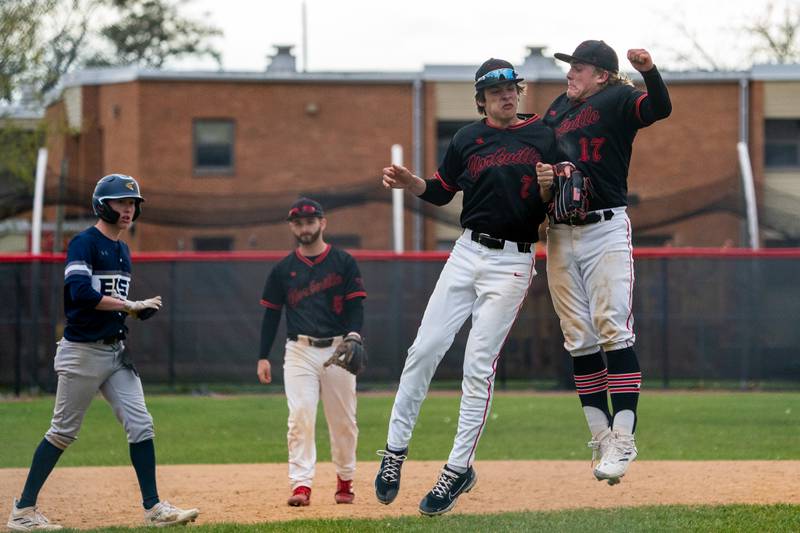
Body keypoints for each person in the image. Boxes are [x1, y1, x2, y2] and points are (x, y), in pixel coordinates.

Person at [375, 58, 557, 516]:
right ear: (481, 100)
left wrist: (551, 188)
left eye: (511, 87)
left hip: (514, 260)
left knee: (478, 364)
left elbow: (562, 198)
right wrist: (411, 183)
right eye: (496, 91)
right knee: (424, 350)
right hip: (467, 252)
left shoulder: (544, 135)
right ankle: (395, 452)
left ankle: (458, 468)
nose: (506, 95)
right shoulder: (467, 139)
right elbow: (440, 189)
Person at [7, 174, 199, 531]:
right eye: (121, 202)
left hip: (116, 354)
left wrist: (132, 311)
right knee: (62, 431)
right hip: (81, 352)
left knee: (141, 424)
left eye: (132, 203)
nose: (128, 209)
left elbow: (114, 303)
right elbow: (79, 291)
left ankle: (153, 508)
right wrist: (129, 305)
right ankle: (22, 510)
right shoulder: (85, 243)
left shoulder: (123, 249)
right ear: (101, 205)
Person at [536, 40, 672, 485]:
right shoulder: (556, 109)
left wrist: (649, 71)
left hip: (605, 227)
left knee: (612, 326)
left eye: (579, 67)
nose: (570, 73)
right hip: (560, 230)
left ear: (602, 74)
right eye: (569, 66)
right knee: (578, 337)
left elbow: (659, 109)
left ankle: (625, 437)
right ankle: (602, 437)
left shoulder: (617, 97)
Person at [256, 198, 367, 507]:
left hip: (338, 349)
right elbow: (271, 315)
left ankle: (345, 480)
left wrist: (355, 334)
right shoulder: (283, 269)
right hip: (300, 351)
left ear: (322, 223)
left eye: (310, 221)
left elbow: (356, 304)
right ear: (292, 226)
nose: (305, 227)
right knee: (300, 416)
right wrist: (263, 355)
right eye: (299, 223)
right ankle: (301, 484)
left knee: (343, 421)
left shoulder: (343, 262)